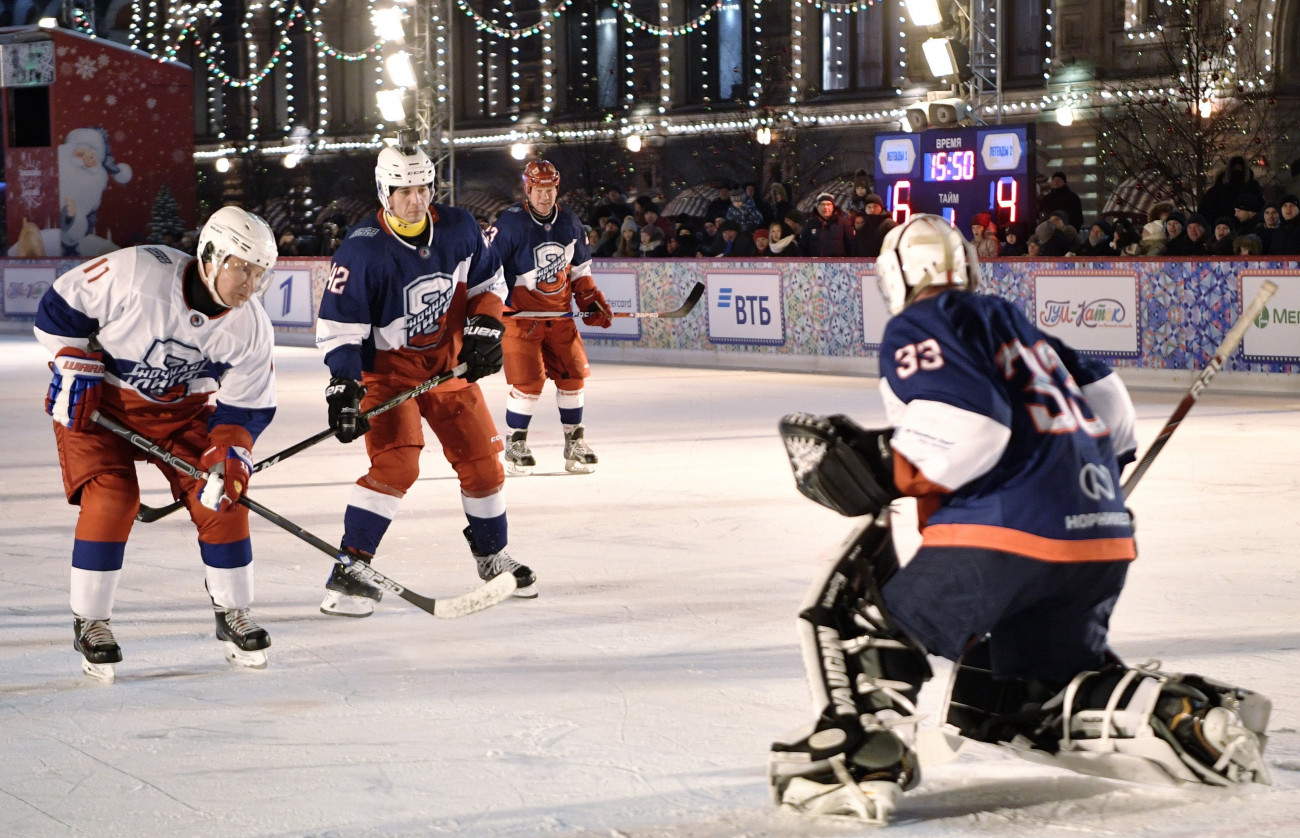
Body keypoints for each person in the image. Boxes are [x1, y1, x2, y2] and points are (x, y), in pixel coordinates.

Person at [768, 215, 1271, 824]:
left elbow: (971, 427)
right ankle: (1186, 721)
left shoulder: (922, 323)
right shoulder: (1018, 326)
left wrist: (883, 463)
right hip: (1099, 542)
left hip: (1004, 537)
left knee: (864, 620)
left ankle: (854, 762)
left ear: (895, 278)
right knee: (1033, 691)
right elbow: (1112, 407)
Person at [34, 205, 280, 680]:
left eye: (259, 273)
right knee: (112, 497)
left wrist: (230, 449)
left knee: (222, 496)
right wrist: (73, 360)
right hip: (102, 410)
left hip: (181, 416)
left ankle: (233, 612)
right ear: (210, 255)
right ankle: (91, 621)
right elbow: (58, 310)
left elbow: (248, 404)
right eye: (241, 267)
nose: (249, 284)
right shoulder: (136, 273)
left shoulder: (250, 326)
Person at [315, 141, 536, 617]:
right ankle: (349, 570)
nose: (415, 199)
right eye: (403, 190)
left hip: (448, 367)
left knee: (484, 466)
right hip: (387, 375)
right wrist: (345, 388)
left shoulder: (458, 228)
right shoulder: (361, 252)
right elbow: (339, 331)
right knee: (397, 466)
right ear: (384, 192)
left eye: (422, 188)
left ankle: (491, 555)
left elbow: (489, 284)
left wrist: (485, 326)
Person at [488, 160, 612, 478]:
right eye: (539, 190)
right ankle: (516, 443)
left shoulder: (569, 221)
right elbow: (488, 271)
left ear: (557, 189)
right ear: (528, 190)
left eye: (550, 189)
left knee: (573, 378)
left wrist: (590, 299)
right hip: (521, 319)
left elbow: (579, 271)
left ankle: (575, 442)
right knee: (528, 382)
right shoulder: (510, 224)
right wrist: (490, 310)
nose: (545, 197)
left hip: (559, 317)